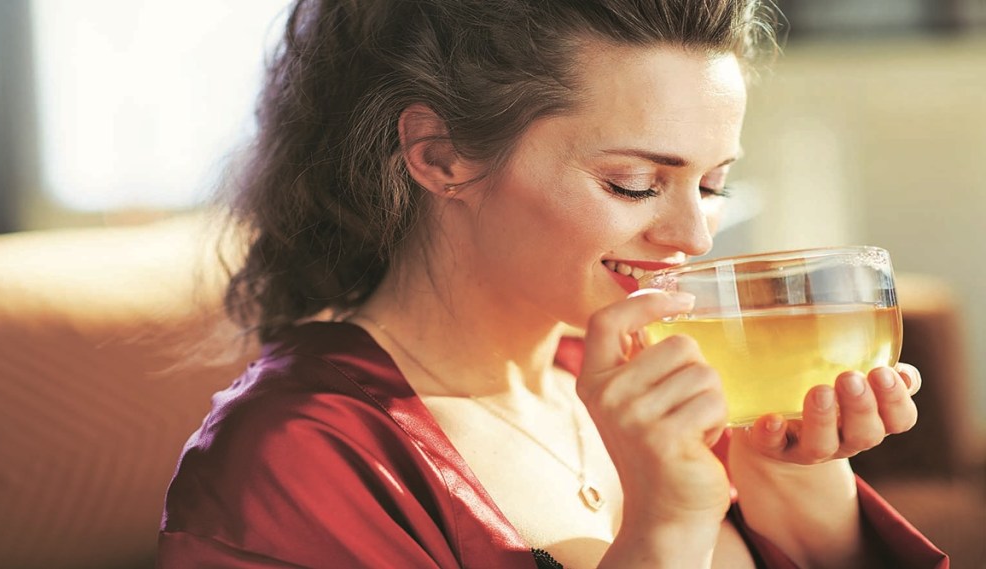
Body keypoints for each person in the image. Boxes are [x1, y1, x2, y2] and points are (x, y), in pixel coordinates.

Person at [159, 0, 949, 567]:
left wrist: (793, 481)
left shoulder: (654, 377)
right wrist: (664, 530)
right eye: (636, 183)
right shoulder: (296, 460)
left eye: (711, 185)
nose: (694, 236)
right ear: (441, 156)